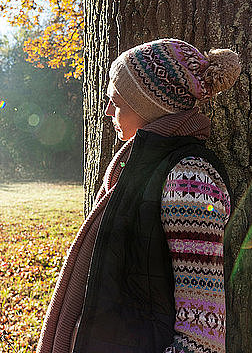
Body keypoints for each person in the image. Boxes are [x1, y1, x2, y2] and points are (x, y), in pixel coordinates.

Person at [37, 39, 241, 353]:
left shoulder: (190, 178)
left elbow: (203, 329)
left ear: (149, 107)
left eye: (117, 101)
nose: (107, 111)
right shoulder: (130, 167)